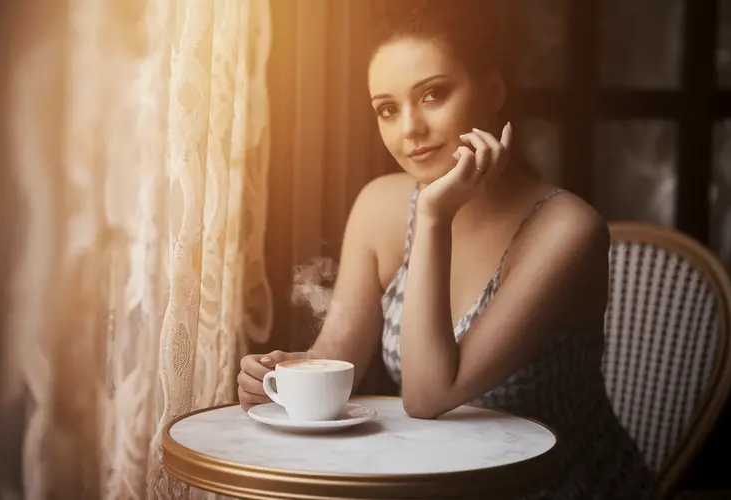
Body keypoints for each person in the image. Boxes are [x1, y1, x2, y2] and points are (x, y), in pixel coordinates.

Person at [238, 1, 656, 497]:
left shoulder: (568, 229)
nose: (409, 129)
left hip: (561, 486)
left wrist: (435, 216)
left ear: (494, 91)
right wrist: (284, 374)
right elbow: (335, 357)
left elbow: (428, 396)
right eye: (387, 109)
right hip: (442, 483)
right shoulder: (379, 205)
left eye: (433, 94)